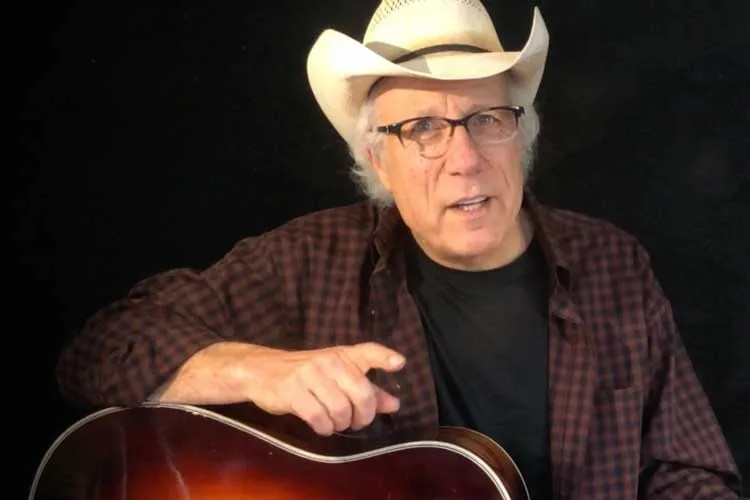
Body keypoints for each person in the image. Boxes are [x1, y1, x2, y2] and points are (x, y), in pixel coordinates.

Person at [55, 0, 744, 498]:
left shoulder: (613, 264)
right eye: (422, 128)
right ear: (377, 161)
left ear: (524, 136)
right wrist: (252, 371)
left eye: (488, 120)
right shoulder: (306, 261)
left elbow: (691, 472)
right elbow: (100, 349)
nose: (464, 158)